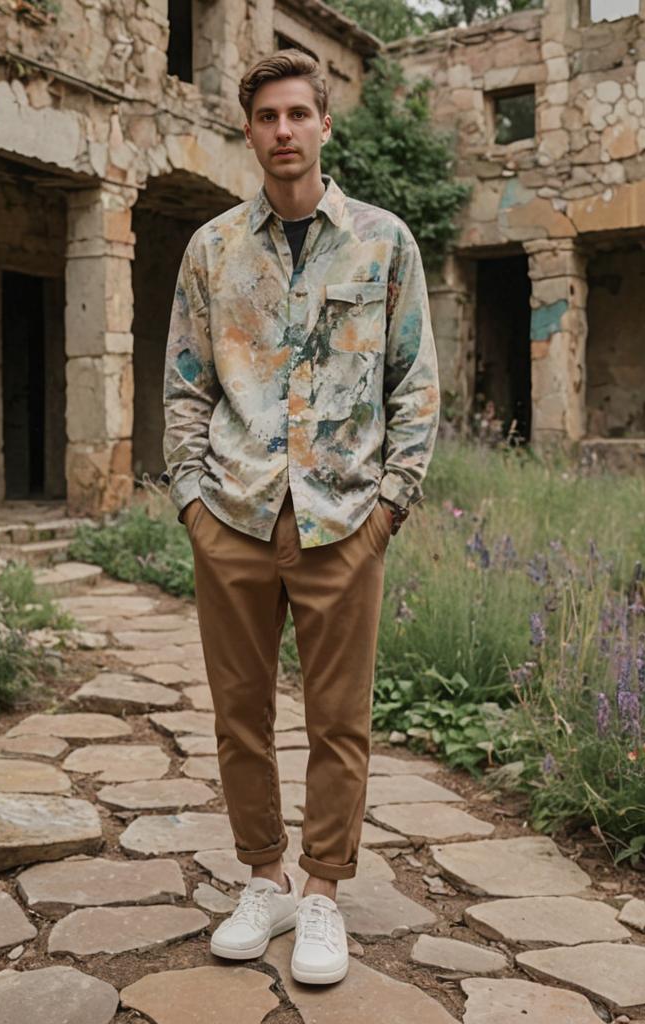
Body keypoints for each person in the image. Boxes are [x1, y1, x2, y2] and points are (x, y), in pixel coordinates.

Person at [162, 49, 439, 985]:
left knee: (338, 721)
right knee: (240, 717)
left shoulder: (384, 242)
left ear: (325, 123)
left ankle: (322, 894)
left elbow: (416, 384)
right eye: (267, 117)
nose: (283, 131)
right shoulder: (210, 250)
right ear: (249, 131)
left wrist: (388, 508)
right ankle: (263, 878)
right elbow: (185, 387)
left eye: (298, 114)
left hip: (342, 521)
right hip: (233, 517)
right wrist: (192, 502)